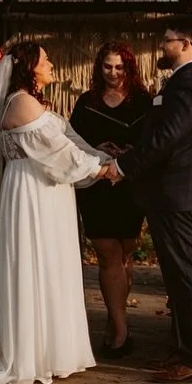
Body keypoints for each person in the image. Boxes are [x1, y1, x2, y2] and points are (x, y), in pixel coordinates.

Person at [0, 41, 117, 384]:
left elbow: (69, 143)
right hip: (34, 193)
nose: (51, 64)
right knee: (38, 263)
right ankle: (36, 353)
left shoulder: (27, 102)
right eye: (45, 59)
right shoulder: (22, 102)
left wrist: (100, 157)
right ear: (29, 67)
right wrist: (101, 170)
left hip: (45, 189)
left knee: (51, 265)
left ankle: (55, 349)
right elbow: (59, 152)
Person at [114, 14, 192, 384]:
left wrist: (124, 167)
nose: (163, 44)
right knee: (176, 276)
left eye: (168, 39)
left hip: (179, 195)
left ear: (187, 45)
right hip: (172, 194)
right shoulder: (182, 83)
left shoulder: (190, 84)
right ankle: (183, 350)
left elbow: (167, 138)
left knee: (184, 274)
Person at [69, 41, 152, 358]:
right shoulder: (86, 102)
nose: (113, 73)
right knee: (107, 254)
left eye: (119, 67)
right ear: (98, 67)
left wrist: (131, 154)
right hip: (97, 185)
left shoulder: (143, 102)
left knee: (125, 254)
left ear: (129, 67)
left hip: (131, 185)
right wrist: (98, 147)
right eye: (107, 66)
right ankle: (119, 331)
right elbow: (71, 142)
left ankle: (118, 318)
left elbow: (153, 140)